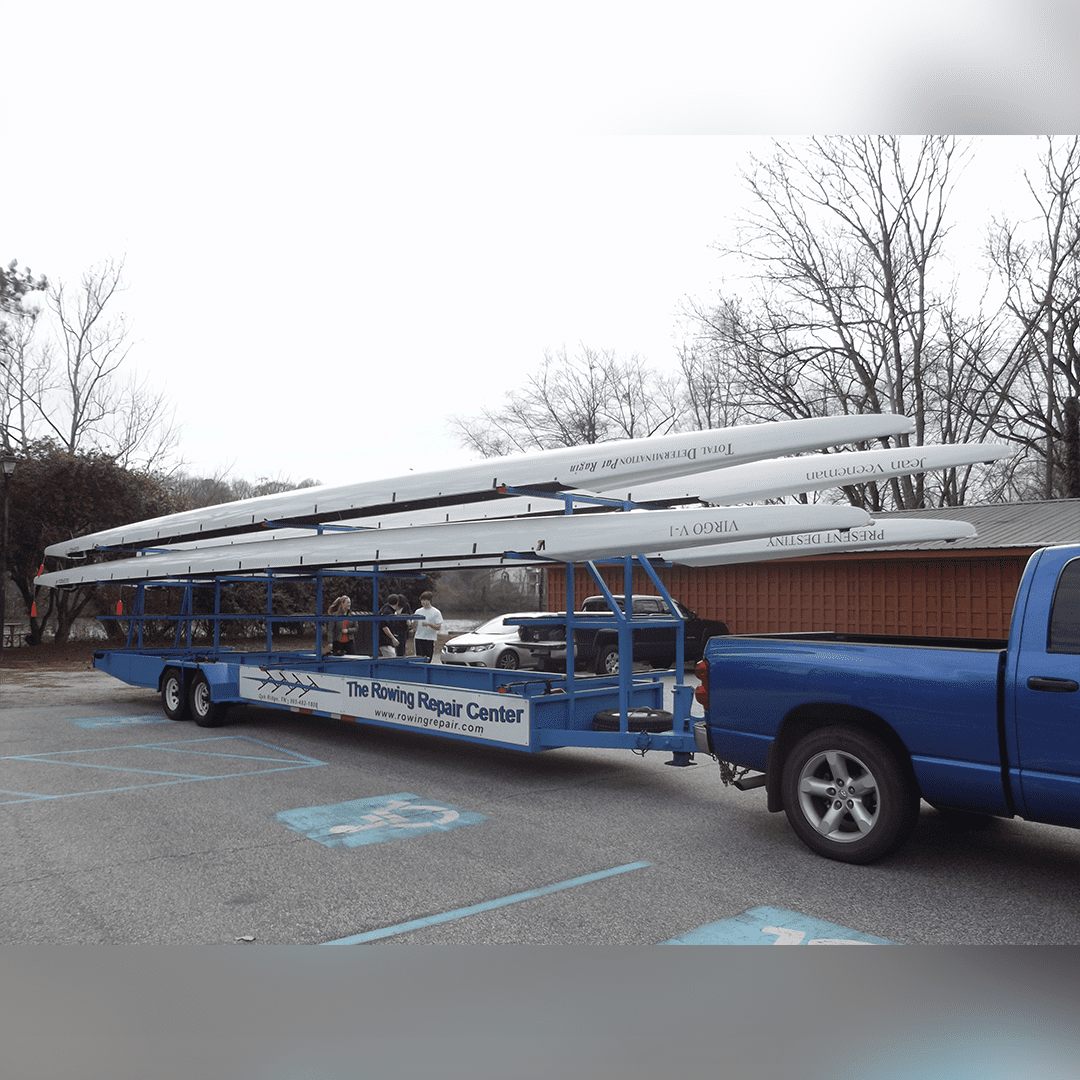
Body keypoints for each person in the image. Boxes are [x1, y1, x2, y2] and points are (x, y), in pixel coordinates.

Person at [412, 590, 443, 662]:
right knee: (419, 659)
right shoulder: (418, 611)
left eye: (426, 600)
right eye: (422, 600)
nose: (424, 602)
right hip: (419, 638)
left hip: (429, 638)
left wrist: (429, 624)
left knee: (428, 659)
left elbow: (438, 627)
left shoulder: (436, 612)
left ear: (430, 601)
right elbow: (413, 627)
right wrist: (414, 623)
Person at [377, 594, 401, 658]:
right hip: (385, 641)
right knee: (391, 657)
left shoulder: (385, 610)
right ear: (397, 603)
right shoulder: (387, 612)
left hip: (384, 641)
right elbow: (385, 627)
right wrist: (393, 639)